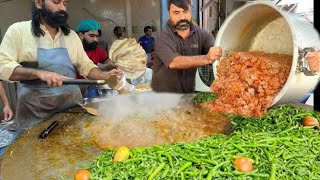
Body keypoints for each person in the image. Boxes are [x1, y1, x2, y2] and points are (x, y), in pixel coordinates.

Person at [0, 0, 122, 132]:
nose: (62, 7)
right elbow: (3, 65)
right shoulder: (19, 31)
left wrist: (105, 75)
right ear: (38, 3)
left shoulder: (72, 37)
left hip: (70, 110)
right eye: (57, 2)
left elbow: (86, 66)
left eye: (64, 3)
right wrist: (38, 73)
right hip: (34, 113)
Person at [151, 0, 222, 93]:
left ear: (190, 11)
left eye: (185, 11)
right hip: (164, 96)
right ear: (169, 14)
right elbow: (174, 62)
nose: (182, 17)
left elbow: (217, 54)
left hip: (189, 94)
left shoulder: (203, 35)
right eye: (176, 13)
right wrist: (207, 58)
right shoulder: (163, 37)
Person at [76, 19, 116, 97]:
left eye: (96, 36)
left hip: (92, 87)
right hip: (76, 89)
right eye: (91, 36)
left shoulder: (97, 49)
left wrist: (115, 63)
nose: (95, 39)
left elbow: (109, 62)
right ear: (81, 35)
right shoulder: (74, 50)